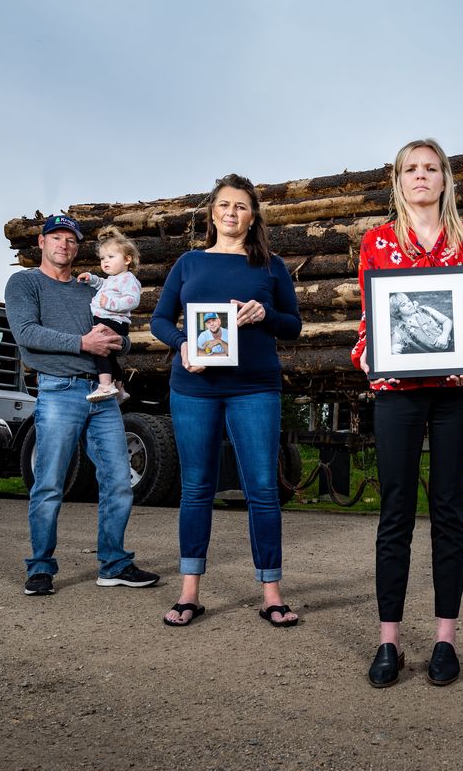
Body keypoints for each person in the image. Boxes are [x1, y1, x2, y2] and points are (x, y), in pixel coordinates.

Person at [351, 139, 463, 687]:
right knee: (394, 512)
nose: (421, 176)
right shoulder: (378, 241)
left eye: (430, 168)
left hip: (458, 389)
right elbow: (371, 311)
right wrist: (368, 350)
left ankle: (444, 639)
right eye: (411, 168)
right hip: (397, 390)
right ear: (398, 179)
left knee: (448, 512)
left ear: (445, 180)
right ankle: (388, 641)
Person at [151, 174, 302, 628]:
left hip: (255, 386)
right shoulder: (189, 263)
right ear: (212, 213)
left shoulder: (271, 266)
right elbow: (160, 319)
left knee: (261, 488)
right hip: (194, 387)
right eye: (224, 205)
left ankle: (271, 593)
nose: (231, 212)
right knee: (196, 487)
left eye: (240, 206)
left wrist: (266, 313)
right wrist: (181, 344)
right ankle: (189, 592)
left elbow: (292, 325)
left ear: (252, 216)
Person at [5, 214, 160, 596]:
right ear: (41, 243)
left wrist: (117, 344)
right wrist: (83, 344)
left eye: (71, 240)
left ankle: (114, 564)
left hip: (102, 394)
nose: (64, 245)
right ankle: (40, 568)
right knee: (50, 483)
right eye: (56, 238)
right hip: (58, 392)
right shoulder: (24, 283)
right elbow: (26, 333)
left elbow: (119, 334)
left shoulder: (88, 288)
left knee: (119, 482)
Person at [76, 226, 142, 403]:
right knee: (111, 357)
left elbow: (132, 300)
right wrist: (92, 279)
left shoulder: (129, 279)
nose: (106, 261)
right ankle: (120, 389)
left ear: (127, 259)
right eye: (103, 258)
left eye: (111, 257)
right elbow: (102, 285)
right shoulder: (113, 279)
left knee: (100, 352)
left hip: (113, 321)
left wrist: (111, 304)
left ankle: (105, 385)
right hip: (108, 320)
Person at [389, 292, 453, 353]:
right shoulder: (399, 330)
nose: (409, 304)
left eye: (408, 301)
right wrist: (393, 349)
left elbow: (447, 321)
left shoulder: (425, 310)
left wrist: (444, 336)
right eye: (403, 304)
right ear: (397, 311)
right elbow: (392, 347)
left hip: (453, 344)